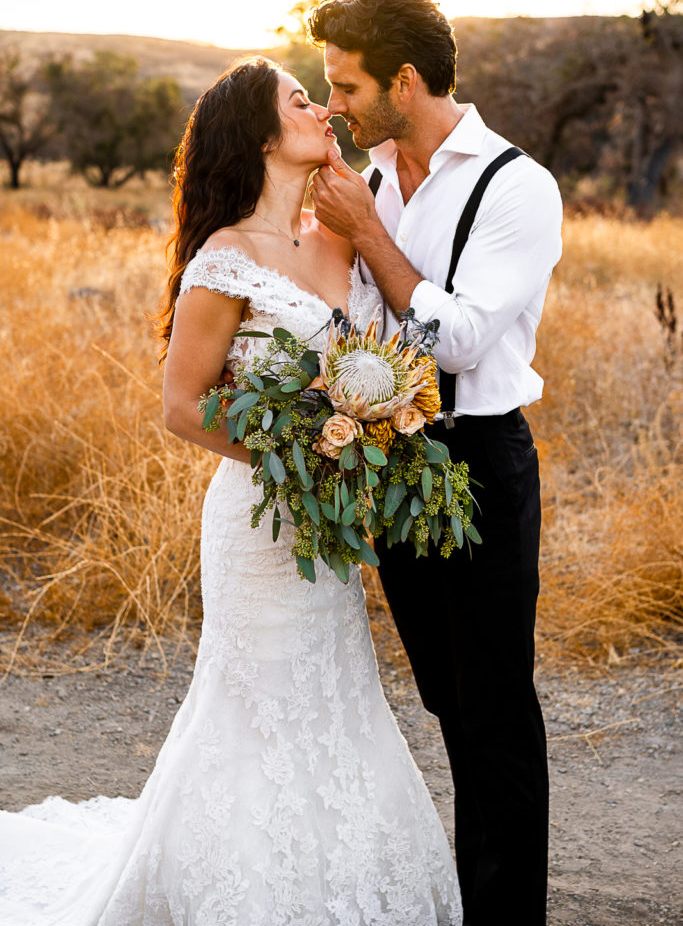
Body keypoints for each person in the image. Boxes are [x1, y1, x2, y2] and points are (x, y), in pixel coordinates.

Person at [0, 57, 462, 925]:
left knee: (334, 685)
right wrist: (295, 459)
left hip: (330, 525)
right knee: (258, 696)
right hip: (258, 520)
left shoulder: (339, 238)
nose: (322, 110)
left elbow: (388, 351)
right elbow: (181, 406)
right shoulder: (224, 258)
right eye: (301, 101)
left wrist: (369, 432)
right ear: (258, 134)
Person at [307, 0, 563, 926]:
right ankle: (473, 891)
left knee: (495, 704)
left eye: (346, 86)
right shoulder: (372, 180)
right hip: (394, 466)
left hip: (481, 461)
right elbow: (363, 331)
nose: (334, 105)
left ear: (403, 81)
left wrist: (367, 237)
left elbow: (454, 342)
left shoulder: (516, 186)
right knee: (447, 699)